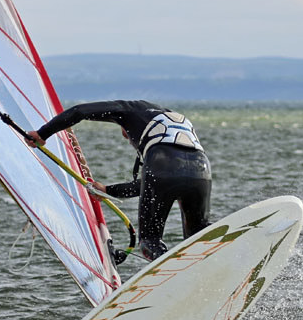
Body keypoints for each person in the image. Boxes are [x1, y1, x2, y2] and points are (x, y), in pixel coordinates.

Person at [26, 100, 211, 261]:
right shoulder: (172, 119)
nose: (126, 137)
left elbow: (79, 111)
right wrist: (108, 191)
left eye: (125, 134)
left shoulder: (127, 109)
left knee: (150, 241)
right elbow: (157, 182)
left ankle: (170, 269)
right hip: (202, 169)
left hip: (162, 163)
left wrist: (43, 133)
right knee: (198, 234)